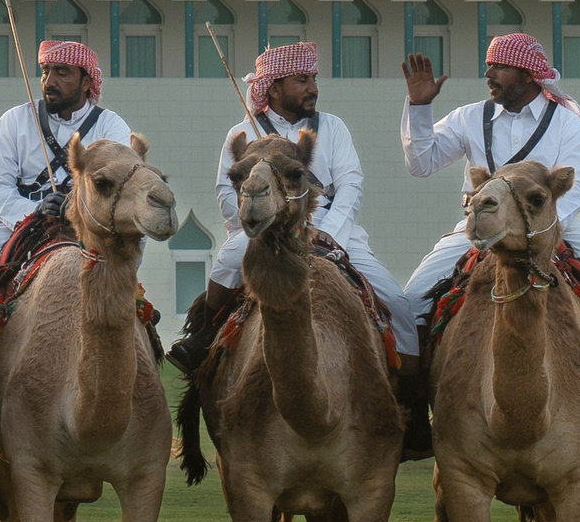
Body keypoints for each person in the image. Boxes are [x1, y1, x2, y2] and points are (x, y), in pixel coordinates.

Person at [402, 32, 580, 427]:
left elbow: (576, 190)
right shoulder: (471, 117)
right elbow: (421, 163)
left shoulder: (566, 122)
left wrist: (538, 234)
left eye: (499, 67)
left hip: (554, 226)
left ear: (527, 74)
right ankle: (416, 413)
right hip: (485, 228)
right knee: (413, 297)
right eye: (489, 65)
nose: (489, 74)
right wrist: (419, 108)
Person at [173, 41, 416, 372]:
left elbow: (351, 183)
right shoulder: (243, 132)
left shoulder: (333, 127)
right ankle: (201, 337)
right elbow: (226, 192)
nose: (313, 88)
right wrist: (258, 220)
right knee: (230, 258)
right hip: (269, 223)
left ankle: (412, 391)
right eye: (302, 80)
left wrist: (328, 233)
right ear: (273, 87)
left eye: (313, 79)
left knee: (397, 303)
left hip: (330, 223)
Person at [0, 39, 133, 329]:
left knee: (129, 259)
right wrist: (34, 210)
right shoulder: (14, 120)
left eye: (62, 72)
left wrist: (74, 207)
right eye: (46, 71)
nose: (50, 81)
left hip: (86, 223)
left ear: (87, 81)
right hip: (16, 221)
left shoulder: (110, 126)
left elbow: (118, 186)